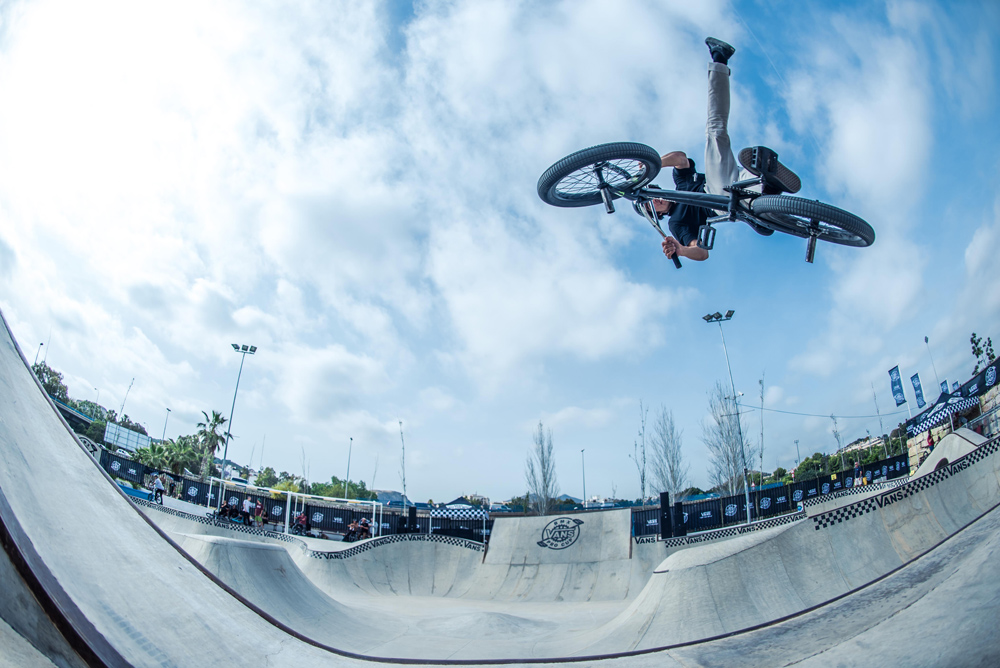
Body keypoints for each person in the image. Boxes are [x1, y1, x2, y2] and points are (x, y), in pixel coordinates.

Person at [655, 37, 801, 264]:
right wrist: (681, 250)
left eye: (654, 195)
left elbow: (680, 159)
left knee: (719, 134)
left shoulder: (681, 184)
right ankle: (766, 199)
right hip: (719, 200)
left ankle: (768, 182)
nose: (656, 199)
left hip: (730, 180)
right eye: (652, 205)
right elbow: (701, 252)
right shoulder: (677, 223)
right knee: (715, 135)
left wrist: (654, 163)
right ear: (659, 215)